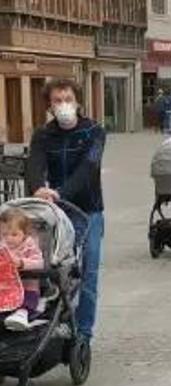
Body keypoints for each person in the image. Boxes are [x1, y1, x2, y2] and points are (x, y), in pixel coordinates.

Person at [26, 79, 105, 343]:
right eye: (57, 101)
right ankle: (48, 323)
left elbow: (88, 168)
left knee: (88, 272)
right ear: (49, 106)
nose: (63, 105)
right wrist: (38, 188)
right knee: (49, 271)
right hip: (53, 214)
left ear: (78, 101)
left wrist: (60, 192)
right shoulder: (43, 135)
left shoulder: (94, 131)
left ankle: (83, 333)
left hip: (88, 211)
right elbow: (34, 165)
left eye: (68, 99)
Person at [0, 208, 44, 332]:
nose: (9, 238)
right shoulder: (2, 247)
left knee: (28, 299)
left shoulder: (29, 246)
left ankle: (21, 315)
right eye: (4, 234)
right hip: (5, 288)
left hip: (27, 287)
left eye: (14, 234)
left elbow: (39, 263)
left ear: (24, 233)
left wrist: (21, 263)